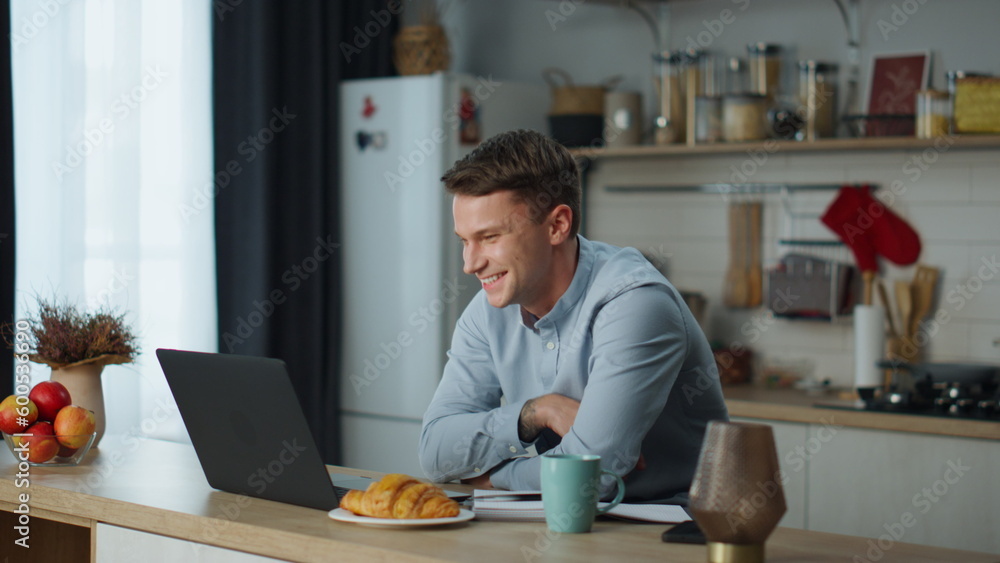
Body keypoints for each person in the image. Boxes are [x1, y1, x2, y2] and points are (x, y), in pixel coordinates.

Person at [418, 129, 728, 503]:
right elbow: (436, 453)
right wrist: (534, 413)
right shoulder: (487, 311)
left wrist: (490, 479)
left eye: (490, 237)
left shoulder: (635, 305)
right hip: (554, 522)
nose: (470, 264)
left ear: (557, 225)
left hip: (669, 535)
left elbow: (593, 477)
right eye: (464, 240)